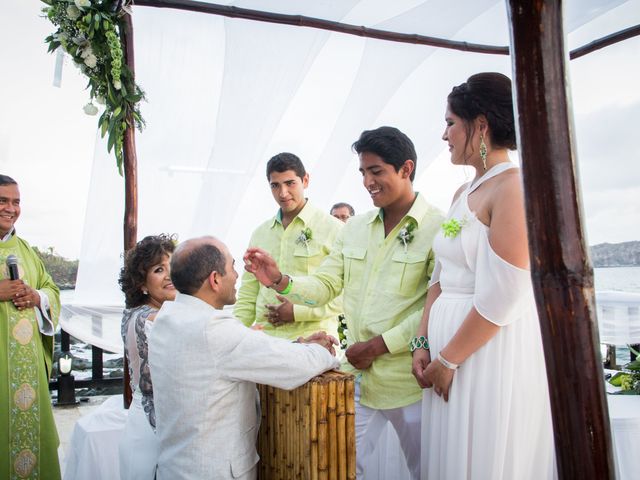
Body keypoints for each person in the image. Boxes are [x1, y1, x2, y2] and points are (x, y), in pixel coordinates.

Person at [243, 126, 444, 479]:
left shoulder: (438, 228)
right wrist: (279, 280)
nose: (367, 182)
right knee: (339, 467)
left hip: (409, 379)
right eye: (363, 173)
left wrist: (379, 346)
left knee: (429, 471)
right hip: (357, 374)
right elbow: (326, 284)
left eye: (376, 171)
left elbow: (433, 307)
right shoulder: (355, 228)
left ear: (406, 169)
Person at [411, 73, 556, 479]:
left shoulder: (513, 187)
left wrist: (449, 359)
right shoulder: (462, 193)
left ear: (480, 126)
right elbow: (438, 279)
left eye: (450, 123)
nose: (444, 135)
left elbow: (507, 292)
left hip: (484, 353)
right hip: (444, 349)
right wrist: (422, 342)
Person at [149, 236, 340, 480]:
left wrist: (299, 343)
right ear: (215, 279)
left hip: (174, 467)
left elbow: (248, 350)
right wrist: (324, 351)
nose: (237, 275)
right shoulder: (212, 328)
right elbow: (292, 366)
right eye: (232, 267)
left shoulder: (167, 319)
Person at [235, 152, 343, 340]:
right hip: (265, 340)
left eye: (290, 183)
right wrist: (234, 336)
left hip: (315, 341)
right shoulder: (261, 233)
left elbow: (346, 296)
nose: (283, 193)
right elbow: (248, 293)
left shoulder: (334, 229)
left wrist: (298, 312)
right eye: (275, 186)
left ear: (305, 180)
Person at [0, 174, 61, 479]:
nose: (10, 208)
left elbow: (52, 290)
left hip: (26, 373)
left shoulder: (25, 250)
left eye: (16, 201)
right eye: (2, 200)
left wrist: (37, 296)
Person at [118, 234, 176, 480]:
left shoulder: (138, 313)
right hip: (150, 432)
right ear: (142, 282)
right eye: (159, 269)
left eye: (173, 266)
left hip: (151, 423)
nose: (170, 275)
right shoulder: (150, 318)